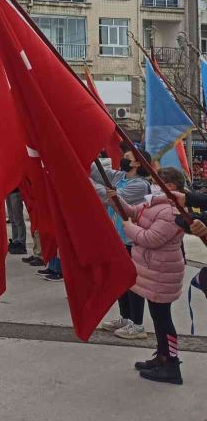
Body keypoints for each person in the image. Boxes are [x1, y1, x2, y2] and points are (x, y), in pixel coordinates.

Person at [108, 167, 188, 385]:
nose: (152, 185)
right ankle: (162, 357)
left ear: (170, 187)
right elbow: (134, 211)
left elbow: (151, 238)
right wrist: (117, 201)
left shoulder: (172, 211)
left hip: (163, 272)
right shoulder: (155, 203)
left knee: (164, 320)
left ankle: (172, 364)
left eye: (157, 182)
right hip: (154, 271)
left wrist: (128, 229)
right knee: (158, 317)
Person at [93, 149, 153, 340]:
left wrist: (83, 182)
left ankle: (137, 325)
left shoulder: (141, 185)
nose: (123, 160)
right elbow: (94, 171)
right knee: (120, 281)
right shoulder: (120, 176)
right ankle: (125, 317)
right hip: (117, 239)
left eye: (127, 158)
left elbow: (111, 197)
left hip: (132, 241)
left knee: (133, 283)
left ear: (137, 164)